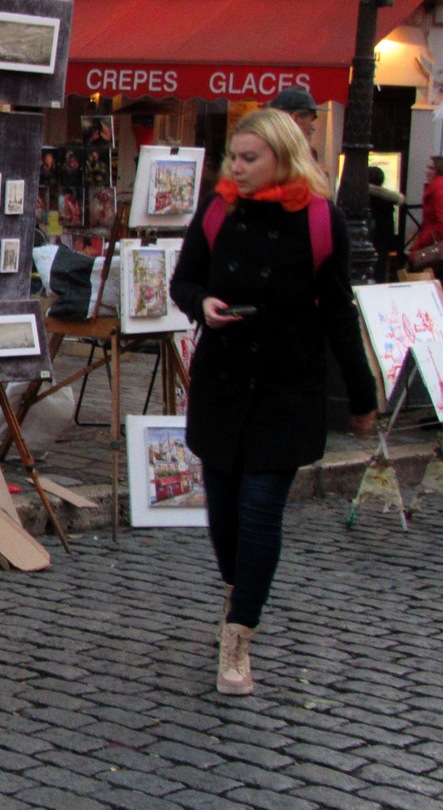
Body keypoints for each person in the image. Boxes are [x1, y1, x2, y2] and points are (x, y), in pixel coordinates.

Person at [169, 109, 375, 696]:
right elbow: (185, 280)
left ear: (283, 156)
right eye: (234, 157)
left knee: (260, 510)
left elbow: (339, 313)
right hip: (223, 382)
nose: (236, 167)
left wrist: (362, 397)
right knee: (225, 515)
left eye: (249, 158)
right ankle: (239, 590)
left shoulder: (319, 219)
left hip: (287, 387)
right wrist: (202, 303)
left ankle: (239, 636)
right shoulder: (217, 211)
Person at [368, 165, 404, 281]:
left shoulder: (363, 199)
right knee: (380, 271)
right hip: (382, 244)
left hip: (367, 242)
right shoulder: (388, 202)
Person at [411, 156, 443, 260]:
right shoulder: (436, 187)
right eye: (427, 167)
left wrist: (424, 241)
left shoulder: (438, 189)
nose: (426, 171)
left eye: (431, 168)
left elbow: (441, 222)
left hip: (432, 245)